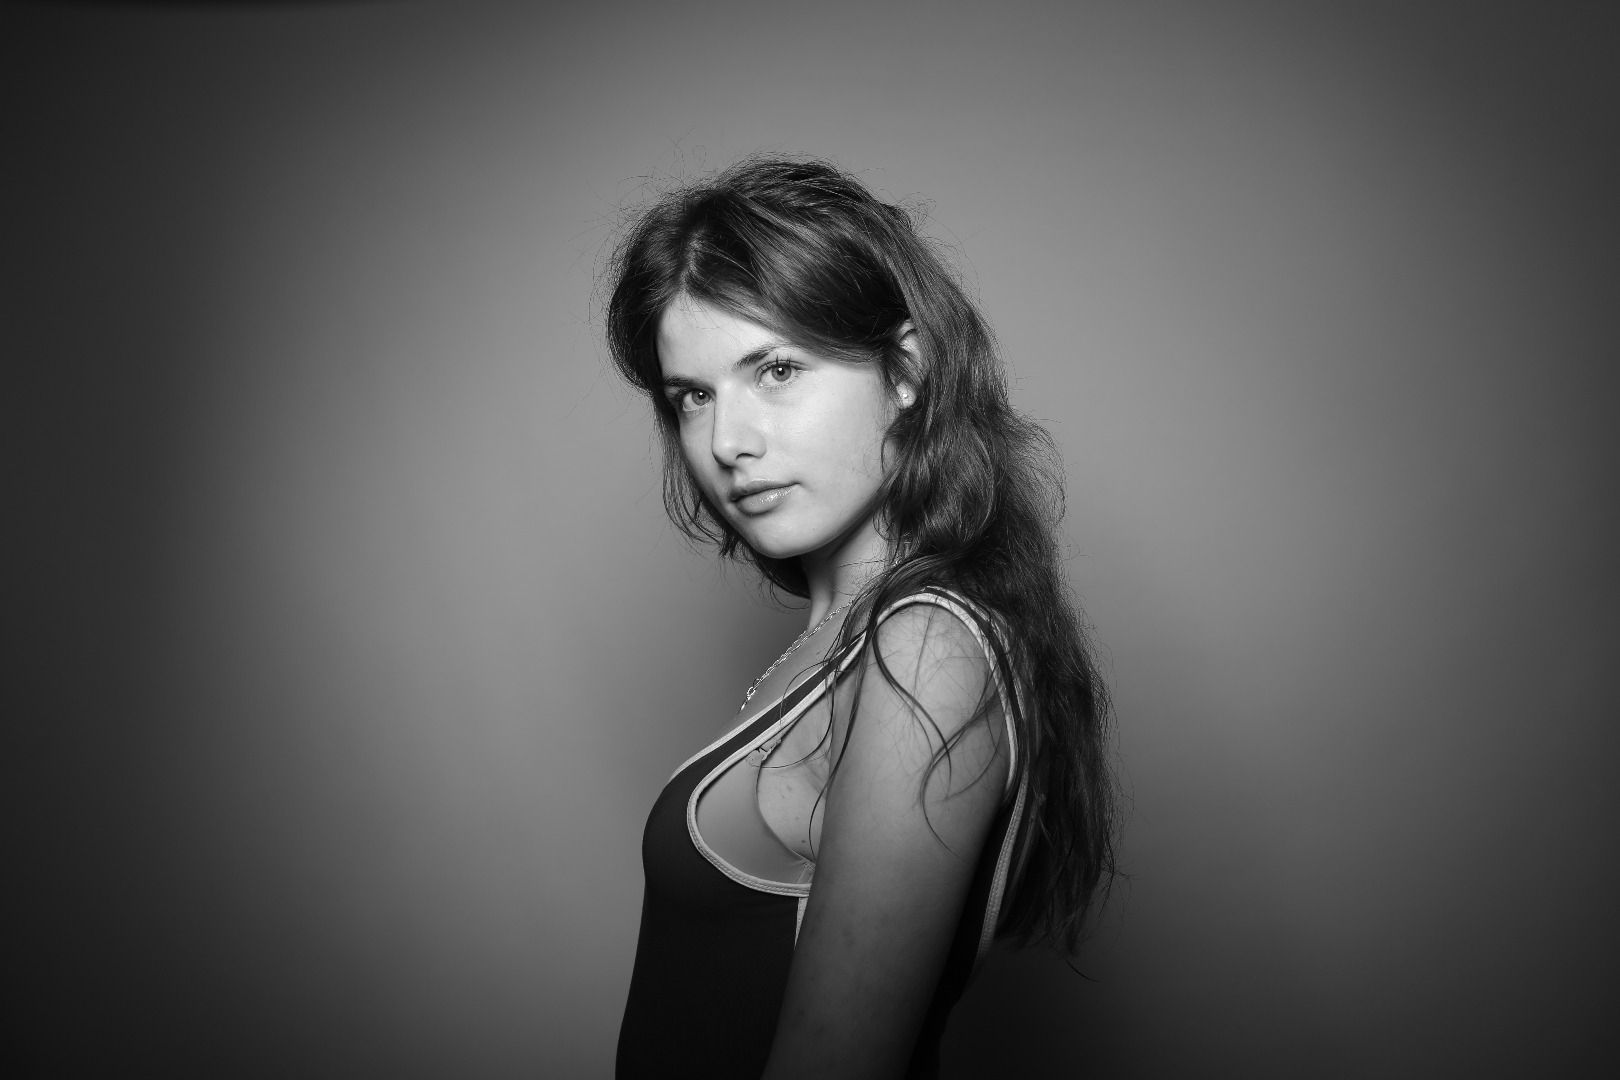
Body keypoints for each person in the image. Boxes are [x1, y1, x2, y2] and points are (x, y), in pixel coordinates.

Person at [607, 155, 1117, 1080]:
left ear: (906, 370)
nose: (727, 442)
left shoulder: (924, 649)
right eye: (694, 397)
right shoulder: (849, 642)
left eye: (776, 369)